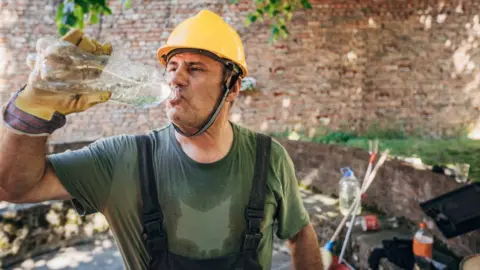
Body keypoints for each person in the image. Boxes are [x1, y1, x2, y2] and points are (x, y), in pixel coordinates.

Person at [0, 9, 323, 270]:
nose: (176, 78)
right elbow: (15, 187)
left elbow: (300, 234)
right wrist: (33, 110)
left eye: (195, 69)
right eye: (172, 67)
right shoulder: (122, 159)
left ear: (233, 87)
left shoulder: (270, 158)